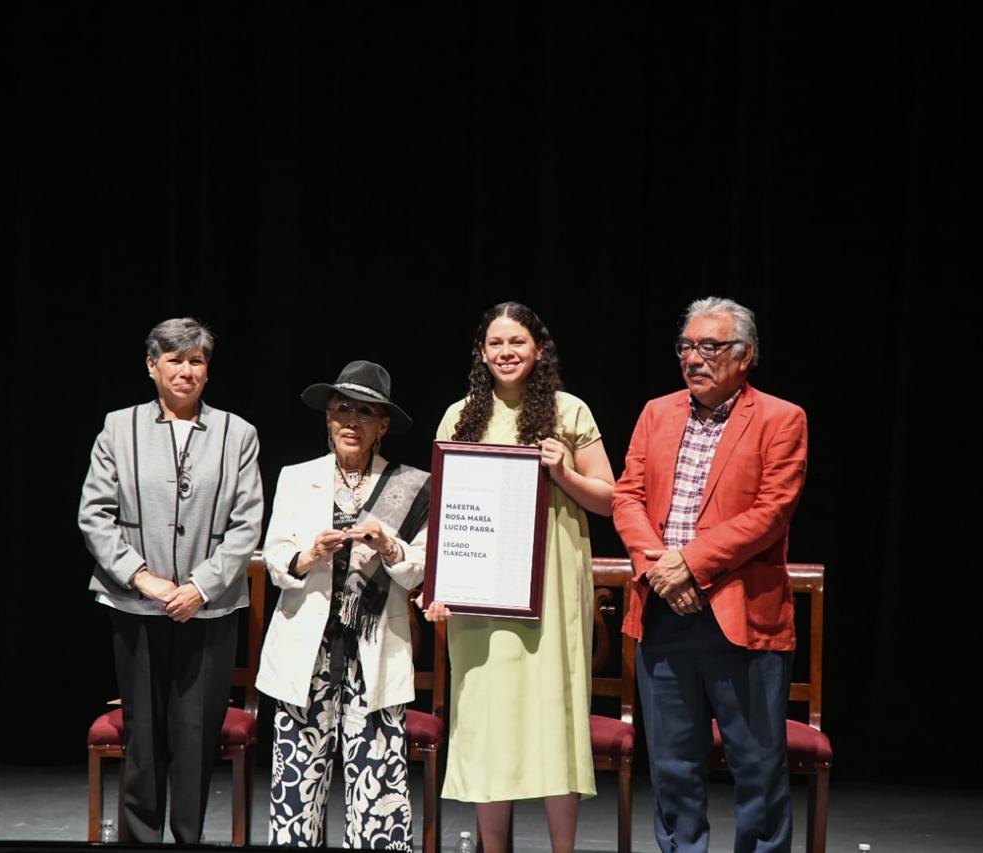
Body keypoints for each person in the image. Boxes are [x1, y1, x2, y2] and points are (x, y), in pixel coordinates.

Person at [612, 296, 808, 853]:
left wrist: (690, 565)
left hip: (739, 616)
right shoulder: (657, 412)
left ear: (745, 355)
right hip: (662, 611)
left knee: (757, 768)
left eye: (709, 347)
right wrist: (658, 569)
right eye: (686, 347)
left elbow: (771, 513)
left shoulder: (781, 418)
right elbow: (628, 496)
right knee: (673, 767)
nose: (693, 358)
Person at [424, 302, 615, 853]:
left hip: (552, 587)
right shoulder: (459, 416)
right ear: (481, 354)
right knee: (488, 717)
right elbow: (444, 515)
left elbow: (610, 499)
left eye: (517, 342)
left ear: (538, 350)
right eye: (495, 343)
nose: (506, 353)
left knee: (553, 713)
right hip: (481, 598)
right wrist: (440, 588)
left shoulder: (569, 411)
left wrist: (564, 472)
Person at [78, 317, 264, 844]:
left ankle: (188, 840)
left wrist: (200, 587)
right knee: (143, 735)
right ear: (152, 366)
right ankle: (139, 840)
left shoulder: (237, 433)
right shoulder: (119, 427)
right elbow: (95, 514)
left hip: (210, 609)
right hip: (136, 606)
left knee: (194, 734)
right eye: (175, 360)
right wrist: (143, 579)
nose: (187, 371)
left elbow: (247, 523)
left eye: (197, 361)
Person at [256, 360, 430, 850]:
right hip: (306, 649)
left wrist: (389, 547)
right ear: (328, 419)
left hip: (375, 652)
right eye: (342, 410)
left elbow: (417, 572)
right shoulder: (296, 477)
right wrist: (307, 556)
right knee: (296, 794)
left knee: (378, 797)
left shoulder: (410, 484)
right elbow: (274, 558)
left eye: (365, 413)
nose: (351, 421)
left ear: (383, 426)